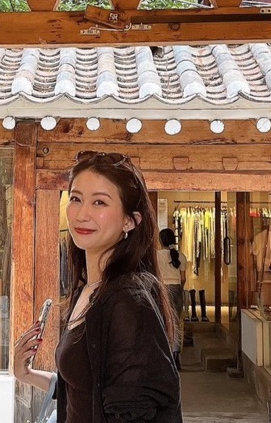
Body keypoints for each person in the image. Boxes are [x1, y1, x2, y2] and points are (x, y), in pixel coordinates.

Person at [14, 151, 183, 423]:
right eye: (76, 199)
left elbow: (134, 411)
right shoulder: (89, 290)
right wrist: (27, 374)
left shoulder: (128, 300)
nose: (82, 214)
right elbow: (85, 391)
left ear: (130, 221)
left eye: (99, 202)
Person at [157, 228, 187, 369]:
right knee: (175, 322)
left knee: (162, 321)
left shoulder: (156, 256)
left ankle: (165, 354)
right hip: (176, 289)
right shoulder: (181, 256)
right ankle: (176, 355)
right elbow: (183, 278)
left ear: (160, 241)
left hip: (162, 289)